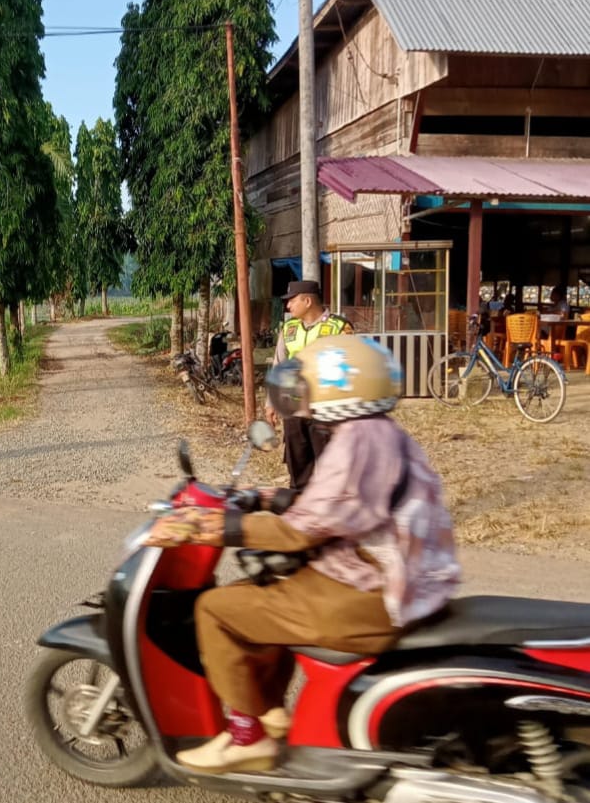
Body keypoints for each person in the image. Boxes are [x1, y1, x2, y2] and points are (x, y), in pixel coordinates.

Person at [144, 336, 461, 775]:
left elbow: (299, 533)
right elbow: (339, 509)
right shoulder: (379, 432)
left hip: (373, 595)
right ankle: (273, 713)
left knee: (215, 609)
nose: (301, 393)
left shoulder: (359, 442)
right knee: (264, 591)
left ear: (340, 391)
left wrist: (208, 526)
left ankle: (245, 738)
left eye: (311, 385)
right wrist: (270, 497)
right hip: (385, 577)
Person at [264, 279, 352, 491]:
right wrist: (271, 402)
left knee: (329, 466)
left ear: (307, 300)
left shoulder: (339, 328)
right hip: (293, 408)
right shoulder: (289, 328)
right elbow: (279, 365)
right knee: (298, 465)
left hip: (325, 410)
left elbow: (350, 368)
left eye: (291, 301)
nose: (287, 306)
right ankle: (300, 512)